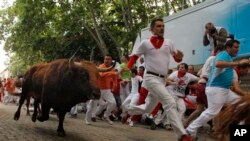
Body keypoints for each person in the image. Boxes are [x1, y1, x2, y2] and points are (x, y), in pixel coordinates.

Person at [127, 18, 194, 141]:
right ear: (151, 29)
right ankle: (182, 135)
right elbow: (134, 57)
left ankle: (129, 111)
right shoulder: (145, 43)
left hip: (162, 80)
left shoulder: (169, 42)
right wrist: (127, 69)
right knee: (170, 102)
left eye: (163, 26)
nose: (162, 28)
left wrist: (180, 56)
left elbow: (177, 59)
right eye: (158, 26)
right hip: (150, 78)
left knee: (148, 108)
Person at [186, 39, 250, 138]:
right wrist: (238, 63)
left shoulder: (228, 58)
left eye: (238, 47)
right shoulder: (224, 54)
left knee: (242, 105)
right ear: (228, 48)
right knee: (212, 112)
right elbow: (218, 64)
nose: (238, 49)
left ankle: (240, 133)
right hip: (216, 89)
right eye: (236, 47)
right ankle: (190, 130)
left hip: (224, 90)